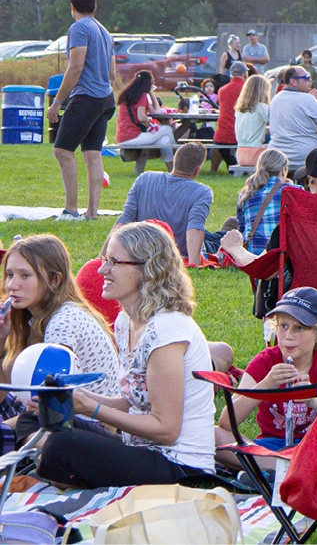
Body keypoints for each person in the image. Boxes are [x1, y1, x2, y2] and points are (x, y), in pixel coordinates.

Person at [36, 222, 218, 487]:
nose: (102, 269)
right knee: (46, 422)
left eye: (114, 261)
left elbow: (166, 430)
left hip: (181, 469)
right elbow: (134, 403)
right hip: (143, 451)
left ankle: (64, 479)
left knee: (61, 444)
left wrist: (93, 409)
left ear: (146, 269)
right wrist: (77, 399)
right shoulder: (125, 321)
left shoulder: (167, 329)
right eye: (104, 259)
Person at [216, 288, 317, 458]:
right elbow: (226, 422)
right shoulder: (265, 362)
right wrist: (265, 386)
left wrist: (313, 400)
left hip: (316, 445)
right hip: (270, 446)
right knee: (215, 437)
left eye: (299, 328)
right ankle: (286, 470)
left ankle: (269, 472)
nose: (288, 336)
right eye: (283, 326)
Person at [1, 236, 122, 402]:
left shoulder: (63, 322)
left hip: (87, 421)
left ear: (54, 279)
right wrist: (1, 338)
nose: (11, 285)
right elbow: (6, 390)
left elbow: (48, 403)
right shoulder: (32, 318)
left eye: (25, 276)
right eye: (9, 275)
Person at [113, 142, 215, 263]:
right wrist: (194, 263)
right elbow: (195, 228)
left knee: (210, 235)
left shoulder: (145, 178)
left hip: (143, 249)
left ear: (174, 161)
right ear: (197, 171)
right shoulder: (202, 192)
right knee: (218, 239)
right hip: (181, 250)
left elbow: (125, 219)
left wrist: (103, 256)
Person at [219, 148, 290, 263]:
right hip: (286, 256)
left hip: (251, 256)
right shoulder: (294, 192)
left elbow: (241, 229)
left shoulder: (246, 194)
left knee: (230, 225)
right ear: (283, 170)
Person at [267, 66, 317, 170]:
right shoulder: (308, 99)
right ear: (293, 81)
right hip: (305, 155)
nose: (310, 81)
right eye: (307, 78)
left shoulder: (275, 99)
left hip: (278, 154)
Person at [113, 70, 175, 171]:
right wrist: (150, 126)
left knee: (164, 141)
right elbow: (141, 117)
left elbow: (156, 112)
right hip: (133, 136)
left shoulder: (129, 94)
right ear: (148, 84)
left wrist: (150, 93)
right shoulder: (141, 96)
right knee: (167, 129)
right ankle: (177, 156)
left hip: (122, 137)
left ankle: (172, 170)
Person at [210, 62, 247, 169]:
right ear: (245, 75)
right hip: (241, 136)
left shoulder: (222, 90)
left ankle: (213, 169)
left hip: (222, 136)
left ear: (231, 74)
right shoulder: (247, 89)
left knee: (217, 137)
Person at [232, 73, 272, 168]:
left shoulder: (239, 109)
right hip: (255, 153)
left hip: (240, 153)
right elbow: (275, 122)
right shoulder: (261, 107)